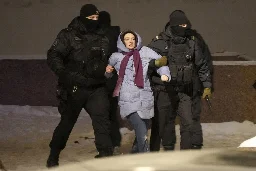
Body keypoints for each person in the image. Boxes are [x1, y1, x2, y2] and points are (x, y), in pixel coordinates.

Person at [46, 4, 113, 168]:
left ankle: (105, 157)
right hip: (74, 87)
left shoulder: (102, 37)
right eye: (91, 18)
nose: (94, 21)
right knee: (67, 122)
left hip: (96, 87)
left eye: (96, 18)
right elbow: (53, 55)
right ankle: (53, 156)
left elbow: (103, 60)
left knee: (102, 121)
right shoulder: (68, 35)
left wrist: (106, 70)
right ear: (83, 18)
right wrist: (65, 75)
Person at [148, 10, 212, 150]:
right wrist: (156, 64)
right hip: (165, 90)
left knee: (188, 123)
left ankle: (186, 154)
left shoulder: (191, 42)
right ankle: (169, 149)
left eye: (185, 24)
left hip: (185, 90)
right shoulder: (160, 42)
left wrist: (207, 85)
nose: (184, 28)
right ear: (174, 25)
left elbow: (201, 65)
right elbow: (144, 63)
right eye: (181, 25)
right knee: (166, 123)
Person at [105, 30, 170, 153]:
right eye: (127, 39)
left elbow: (161, 62)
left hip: (145, 97)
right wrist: (108, 72)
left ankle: (134, 156)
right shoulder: (116, 57)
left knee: (143, 129)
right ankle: (145, 158)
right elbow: (108, 75)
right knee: (141, 130)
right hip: (127, 97)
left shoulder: (145, 52)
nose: (130, 41)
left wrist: (164, 74)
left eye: (132, 39)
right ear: (122, 41)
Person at [98, 10, 122, 155]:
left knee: (102, 114)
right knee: (111, 112)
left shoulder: (99, 37)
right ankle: (115, 142)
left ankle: (107, 147)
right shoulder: (116, 36)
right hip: (113, 80)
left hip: (101, 80)